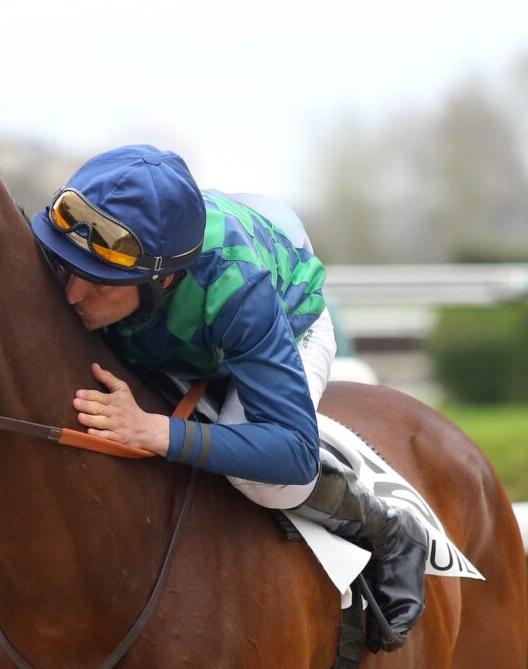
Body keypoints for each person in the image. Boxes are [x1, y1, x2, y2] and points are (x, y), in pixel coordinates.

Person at [30, 144, 428, 652]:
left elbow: (291, 451)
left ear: (162, 278)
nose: (72, 296)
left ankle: (389, 528)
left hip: (286, 314)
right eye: (69, 267)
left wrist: (156, 430)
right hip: (204, 251)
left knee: (269, 484)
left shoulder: (239, 290)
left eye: (100, 282)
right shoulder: (76, 238)